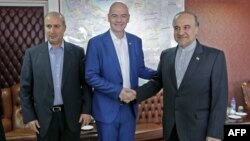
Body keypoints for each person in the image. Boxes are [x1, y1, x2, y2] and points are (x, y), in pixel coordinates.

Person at [136, 11, 228, 141]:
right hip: (171, 128)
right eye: (177, 28)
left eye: (186, 27)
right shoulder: (166, 55)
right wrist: (135, 94)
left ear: (196, 29)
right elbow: (157, 82)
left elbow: (219, 99)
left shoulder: (214, 57)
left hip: (198, 130)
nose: (180, 32)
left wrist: (214, 133)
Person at [85, 2, 156, 141]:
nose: (119, 20)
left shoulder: (136, 41)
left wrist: (163, 73)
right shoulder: (96, 43)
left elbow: (140, 69)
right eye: (114, 16)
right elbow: (91, 76)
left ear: (128, 18)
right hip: (106, 109)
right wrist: (118, 91)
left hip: (129, 108)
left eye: (123, 16)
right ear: (108, 17)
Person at [20, 11, 92, 141]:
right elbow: (25, 89)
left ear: (64, 28)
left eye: (56, 26)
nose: (52, 30)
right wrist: (30, 117)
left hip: (71, 117)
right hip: (44, 120)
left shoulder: (77, 53)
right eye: (48, 26)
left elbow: (86, 84)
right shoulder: (32, 54)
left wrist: (86, 110)